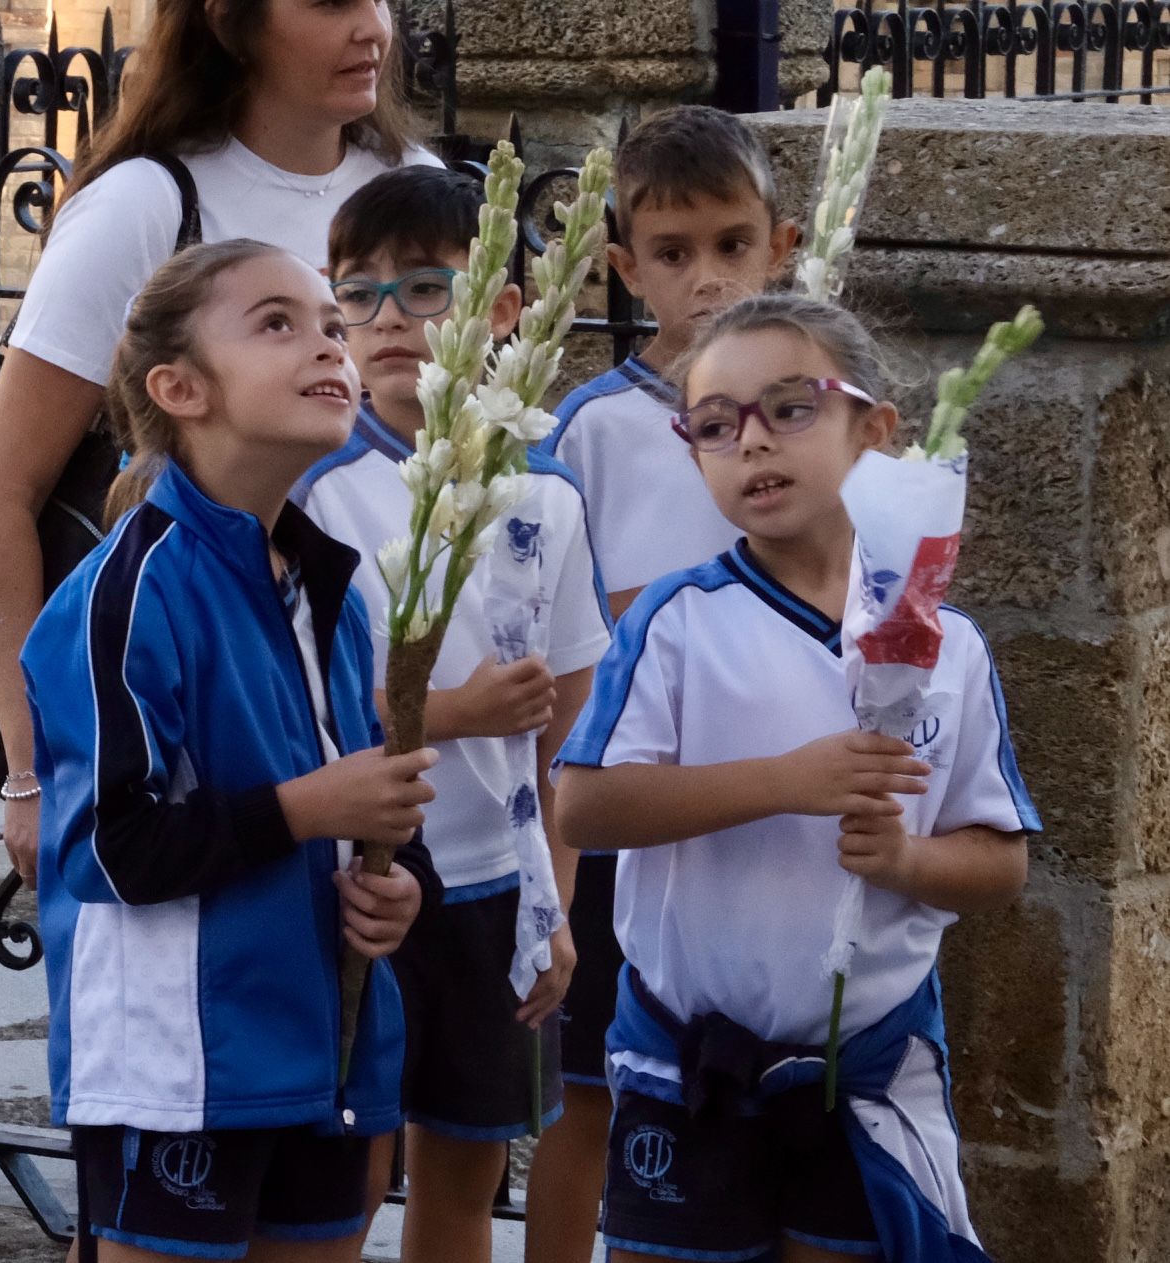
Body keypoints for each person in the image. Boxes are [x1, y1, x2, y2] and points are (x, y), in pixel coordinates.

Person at [552, 294, 1036, 1263]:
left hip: (863, 1070)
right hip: (686, 1068)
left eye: (790, 407)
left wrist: (904, 858)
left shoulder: (946, 645)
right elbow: (587, 802)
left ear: (877, 429)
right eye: (717, 425)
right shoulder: (676, 621)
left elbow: (1000, 859)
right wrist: (786, 780)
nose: (753, 444)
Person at [23, 239, 444, 1262]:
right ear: (179, 388)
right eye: (277, 323)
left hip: (322, 1051)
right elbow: (109, 849)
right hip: (178, 1073)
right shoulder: (129, 592)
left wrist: (397, 891)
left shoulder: (333, 592)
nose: (329, 346)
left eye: (329, 325)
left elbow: (361, 807)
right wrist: (309, 810)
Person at [0, 0, 441, 891]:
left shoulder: (407, 181)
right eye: (333, 2)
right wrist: (31, 766)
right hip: (197, 712)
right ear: (231, 21)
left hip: (376, 715)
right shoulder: (146, 202)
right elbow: (0, 491)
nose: (373, 28)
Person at [293, 165, 610, 1263]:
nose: (387, 320)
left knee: (465, 1169)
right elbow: (306, 702)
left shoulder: (546, 493)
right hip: (358, 881)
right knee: (349, 1172)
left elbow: (563, 726)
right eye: (358, 292)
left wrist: (551, 906)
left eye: (426, 290)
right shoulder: (309, 487)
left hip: (491, 882)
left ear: (498, 312)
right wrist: (454, 711)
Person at [527, 107, 798, 1262]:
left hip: (770, 811)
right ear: (623, 266)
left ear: (780, 246)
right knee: (589, 1096)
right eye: (674, 254)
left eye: (733, 246)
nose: (707, 281)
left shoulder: (817, 413)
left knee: (768, 1086)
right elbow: (547, 618)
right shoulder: (589, 429)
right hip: (622, 807)